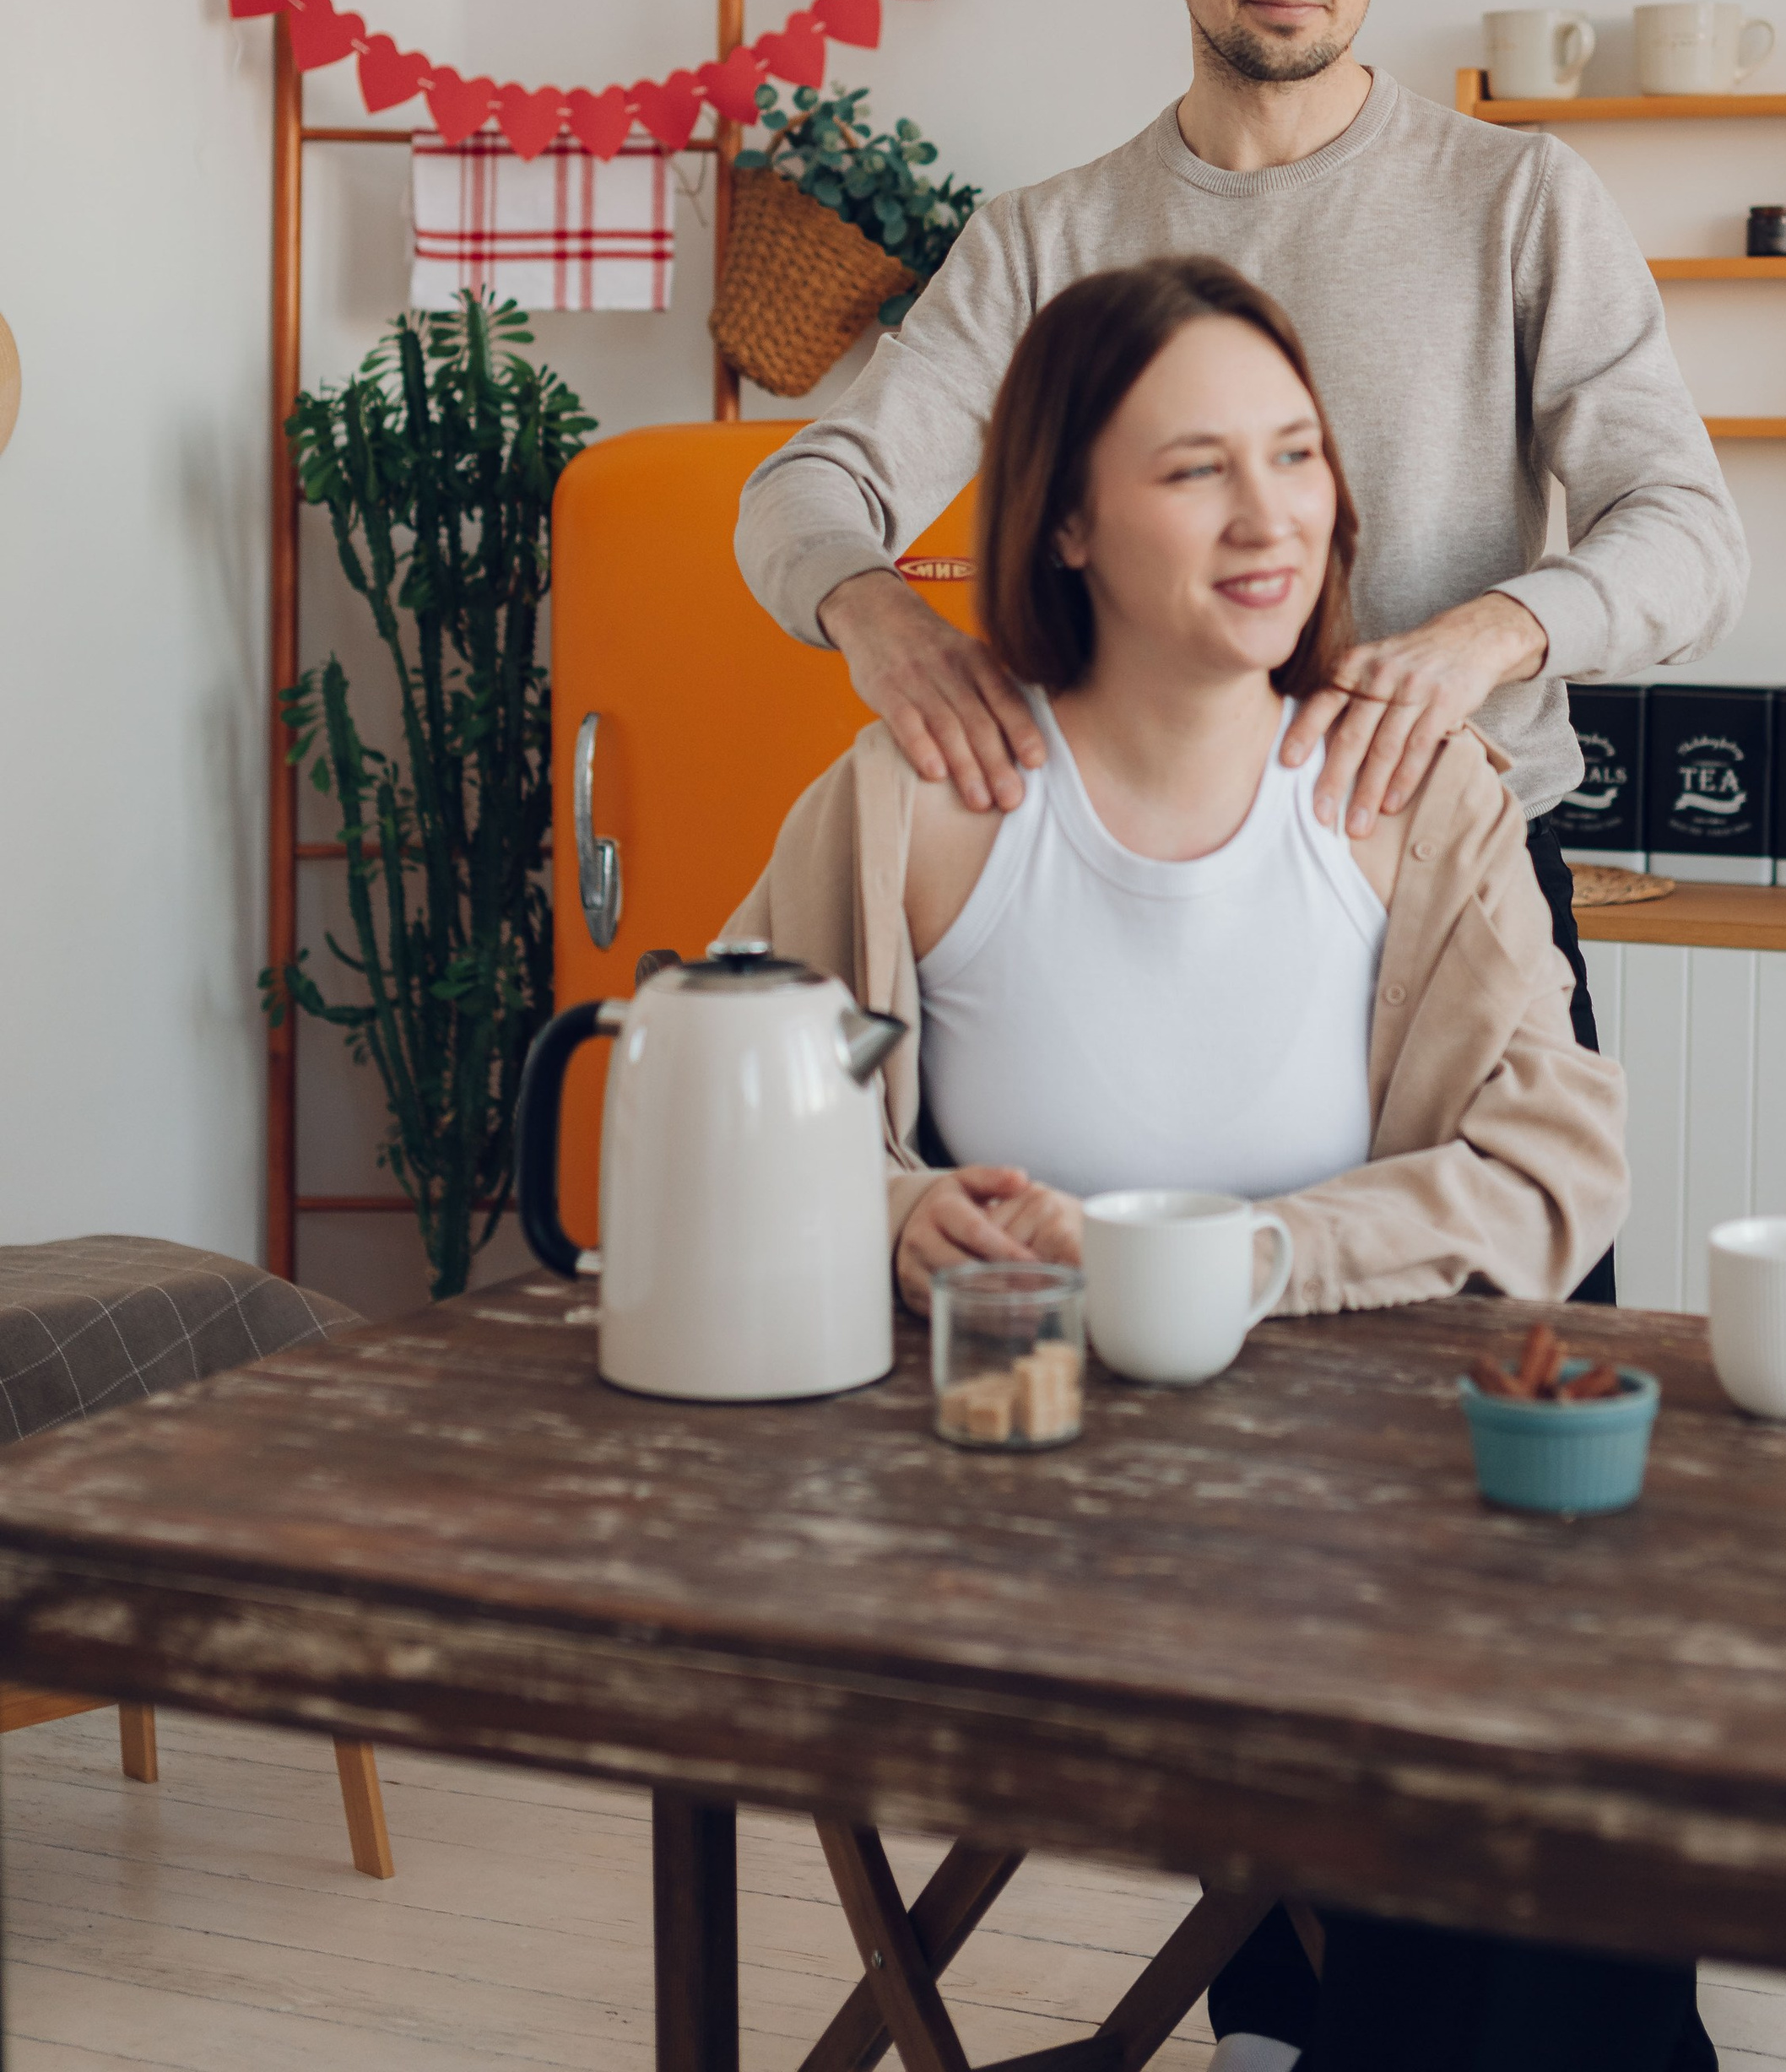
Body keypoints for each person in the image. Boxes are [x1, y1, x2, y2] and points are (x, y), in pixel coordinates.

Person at [723, 258, 1710, 2072]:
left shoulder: (1417, 797)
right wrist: (894, 1212)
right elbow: (726, 1110)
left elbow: (1558, 1160)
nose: (1271, 518)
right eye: (1196, 471)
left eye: (1297, 455)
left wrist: (1255, 1258)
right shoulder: (919, 799)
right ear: (1068, 521)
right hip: (1036, 1519)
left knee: (1583, 1711)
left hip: (1377, 1504)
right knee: (1494, 1742)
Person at [734, 0, 1747, 1292]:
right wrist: (881, 625)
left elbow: (1691, 535)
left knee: (1502, 1371)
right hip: (1105, 893)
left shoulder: (1519, 201)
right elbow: (805, 487)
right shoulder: (1044, 243)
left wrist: (1476, 642)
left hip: (1435, 877)